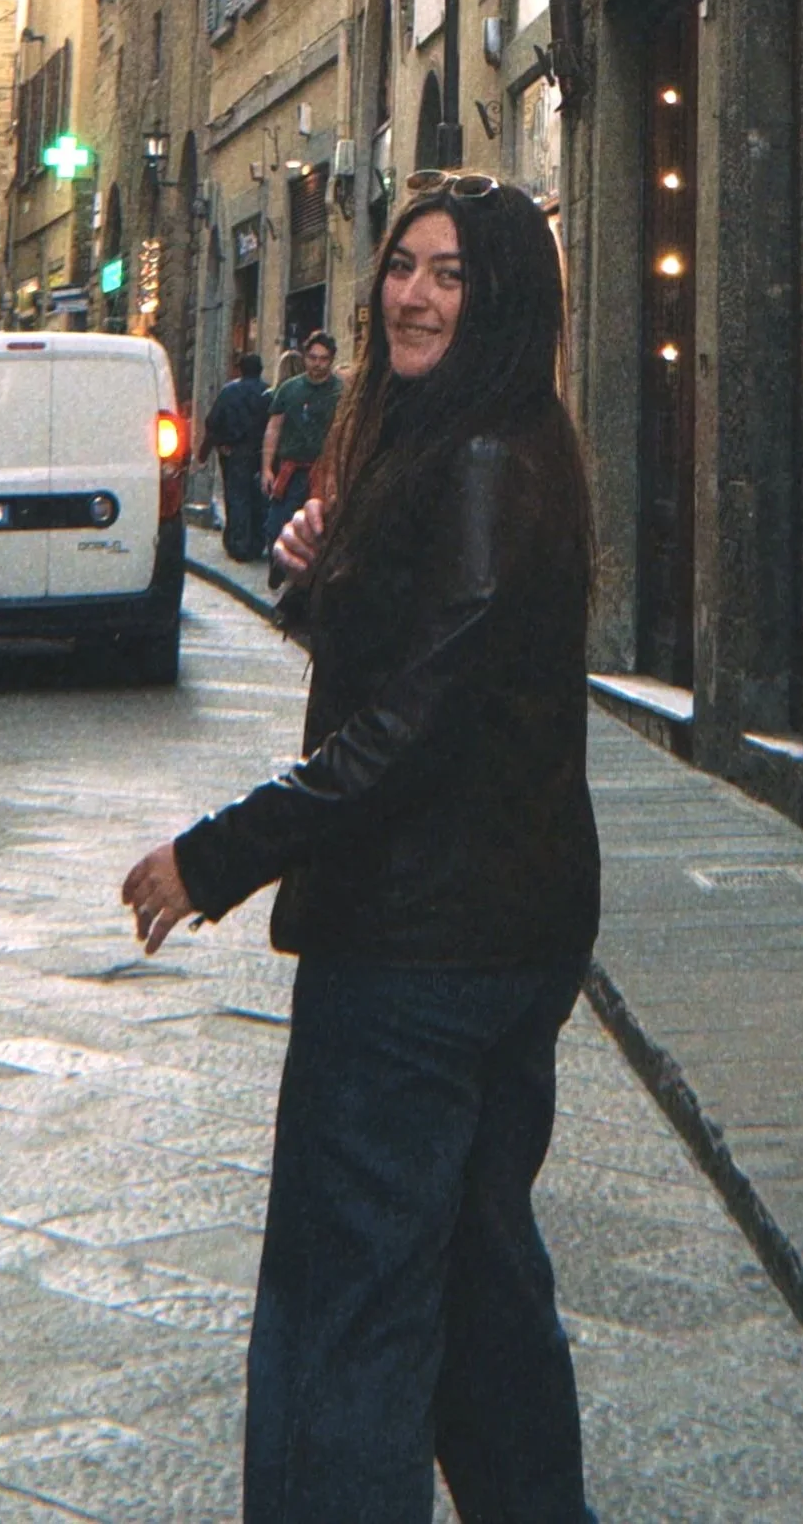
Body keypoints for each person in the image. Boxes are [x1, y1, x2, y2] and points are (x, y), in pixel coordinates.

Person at [124, 175, 599, 1523]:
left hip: (416, 946)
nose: (413, 295)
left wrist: (215, 856)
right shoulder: (477, 444)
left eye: (450, 274)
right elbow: (426, 656)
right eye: (402, 264)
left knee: (346, 1306)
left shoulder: (482, 460)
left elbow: (409, 729)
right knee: (478, 1286)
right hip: (497, 931)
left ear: (501, 300)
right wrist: (323, 570)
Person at [261, 328, 341, 587]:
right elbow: (273, 428)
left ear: (331, 360)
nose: (317, 364)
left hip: (323, 473)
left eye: (323, 359)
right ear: (305, 357)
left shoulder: (341, 392)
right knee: (275, 524)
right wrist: (267, 468)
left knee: (318, 529)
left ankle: (307, 583)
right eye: (313, 358)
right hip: (291, 471)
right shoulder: (289, 389)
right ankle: (277, 566)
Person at [203, 350, 273, 561]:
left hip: (236, 453)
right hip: (261, 452)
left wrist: (219, 443)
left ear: (240, 369)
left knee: (237, 497)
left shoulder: (229, 392)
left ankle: (239, 543)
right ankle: (257, 541)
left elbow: (213, 421)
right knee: (258, 497)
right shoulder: (269, 393)